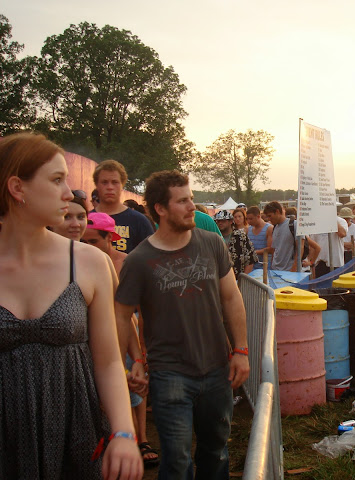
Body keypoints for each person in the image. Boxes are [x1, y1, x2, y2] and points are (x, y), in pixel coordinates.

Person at [0, 133, 142, 479]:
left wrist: (124, 433)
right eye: (56, 180)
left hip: (77, 429)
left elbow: (108, 361)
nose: (70, 193)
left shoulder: (88, 262)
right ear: (18, 188)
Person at [115, 170, 249, 479]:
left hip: (217, 369)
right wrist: (134, 358)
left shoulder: (212, 243)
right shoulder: (138, 260)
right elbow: (121, 315)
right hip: (169, 374)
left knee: (215, 453)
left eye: (191, 198)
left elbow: (231, 297)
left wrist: (241, 349)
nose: (192, 206)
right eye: (183, 201)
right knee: (177, 461)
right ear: (160, 209)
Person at [82, 212, 160, 468]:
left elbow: (134, 310)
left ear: (110, 239)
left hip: (124, 332)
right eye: (85, 241)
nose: (86, 246)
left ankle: (140, 437)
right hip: (88, 337)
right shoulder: (76, 262)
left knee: (134, 388)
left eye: (93, 241)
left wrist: (140, 350)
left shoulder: (126, 263)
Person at [93, 159, 154, 253]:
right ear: (97, 185)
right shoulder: (85, 219)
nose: (110, 187)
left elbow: (150, 257)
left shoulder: (139, 221)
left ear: (122, 185)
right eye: (104, 182)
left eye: (114, 182)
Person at [214, 210, 258, 276]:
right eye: (218, 221)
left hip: (238, 276)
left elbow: (250, 260)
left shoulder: (240, 236)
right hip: (220, 278)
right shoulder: (214, 237)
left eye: (223, 221)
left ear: (231, 221)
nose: (220, 223)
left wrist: (243, 280)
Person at [263, 201, 297, 271]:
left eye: (270, 216)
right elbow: (274, 250)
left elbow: (300, 248)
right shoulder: (275, 227)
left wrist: (293, 269)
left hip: (289, 271)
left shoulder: (294, 225)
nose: (269, 219)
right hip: (276, 270)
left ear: (277, 212)